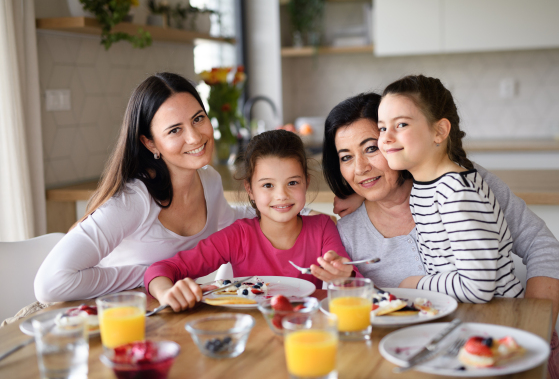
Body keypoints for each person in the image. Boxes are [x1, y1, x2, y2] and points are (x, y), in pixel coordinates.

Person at [323, 91, 559, 379]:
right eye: (345, 157)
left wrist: (529, 332)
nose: (360, 168)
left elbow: (546, 250)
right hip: (418, 366)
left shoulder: (462, 182)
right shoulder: (345, 232)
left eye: (370, 148)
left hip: (503, 351)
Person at [34, 73, 258, 302]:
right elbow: (50, 283)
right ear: (150, 143)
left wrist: (282, 203)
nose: (194, 137)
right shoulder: (134, 199)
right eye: (174, 130)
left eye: (198, 118)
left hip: (163, 318)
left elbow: (232, 223)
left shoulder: (209, 180)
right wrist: (155, 274)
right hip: (112, 319)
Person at [145, 130, 355, 311]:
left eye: (292, 182)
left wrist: (344, 277)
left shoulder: (323, 228)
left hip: (302, 330)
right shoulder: (238, 236)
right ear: (250, 189)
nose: (281, 195)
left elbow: (354, 279)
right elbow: (159, 270)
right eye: (267, 185)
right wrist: (165, 293)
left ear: (306, 183)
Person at [377, 75, 524, 302]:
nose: (386, 137)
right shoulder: (425, 187)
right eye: (382, 127)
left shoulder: (456, 193)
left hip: (499, 317)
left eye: (401, 124)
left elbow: (478, 287)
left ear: (439, 131)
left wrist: (415, 284)